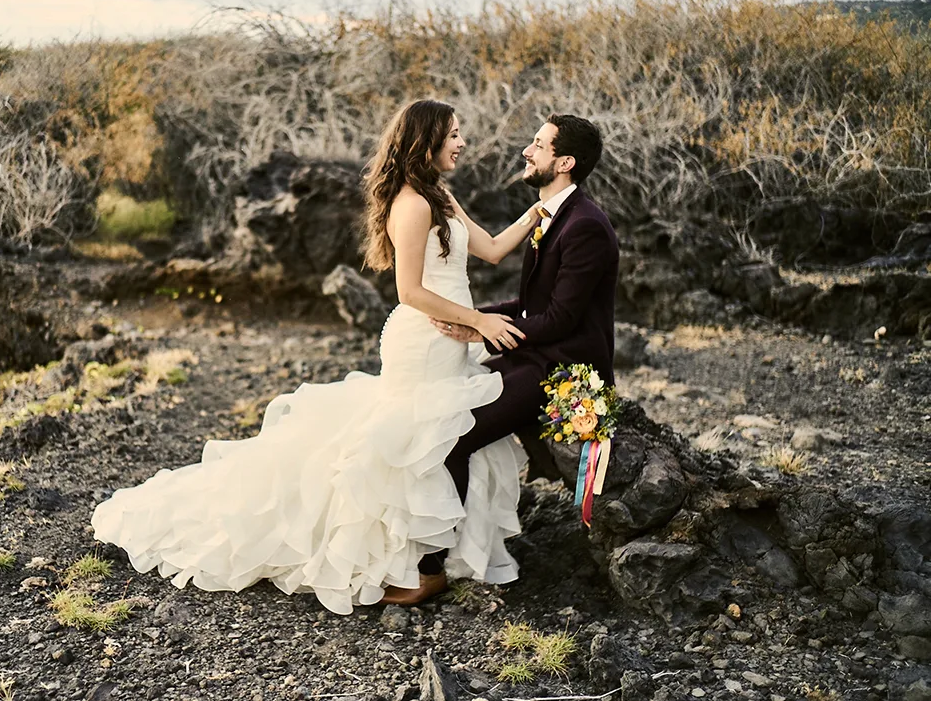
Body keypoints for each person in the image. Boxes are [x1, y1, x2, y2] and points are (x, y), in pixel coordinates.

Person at [91, 99, 537, 614]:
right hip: (425, 342)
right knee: (419, 443)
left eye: (460, 133)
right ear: (426, 140)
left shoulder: (441, 195)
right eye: (453, 134)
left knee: (436, 439)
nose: (461, 143)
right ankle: (415, 563)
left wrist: (544, 208)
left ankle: (430, 557)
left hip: (451, 341)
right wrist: (477, 321)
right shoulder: (413, 204)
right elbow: (409, 290)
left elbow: (494, 249)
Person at [400, 114, 619, 606]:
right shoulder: (553, 214)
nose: (526, 151)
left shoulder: (585, 225)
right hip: (536, 355)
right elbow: (530, 309)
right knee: (448, 417)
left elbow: (559, 320)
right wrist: (476, 320)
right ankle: (452, 551)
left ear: (564, 163)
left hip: (562, 370)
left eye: (538, 145)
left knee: (453, 435)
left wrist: (484, 328)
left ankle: (432, 568)